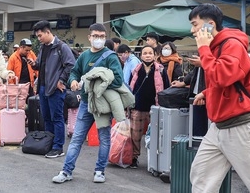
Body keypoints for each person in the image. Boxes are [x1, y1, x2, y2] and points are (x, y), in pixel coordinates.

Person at [188, 3, 250, 192]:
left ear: (210, 25)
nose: (192, 30)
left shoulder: (231, 44)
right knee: (201, 175)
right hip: (221, 126)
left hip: (240, 125)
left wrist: (204, 49)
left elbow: (222, 76)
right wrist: (206, 93)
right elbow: (226, 80)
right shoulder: (219, 46)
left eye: (195, 24)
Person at [52, 23, 124, 184]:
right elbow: (74, 72)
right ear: (89, 37)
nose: (98, 39)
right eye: (96, 36)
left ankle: (100, 171)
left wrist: (92, 82)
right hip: (85, 103)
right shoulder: (84, 56)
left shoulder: (111, 56)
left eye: (102, 36)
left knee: (104, 138)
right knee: (77, 138)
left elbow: (118, 80)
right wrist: (73, 81)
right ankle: (66, 171)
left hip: (102, 105)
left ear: (105, 38)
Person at [29, 20, 75, 158]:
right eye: (37, 36)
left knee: (57, 117)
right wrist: (34, 64)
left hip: (55, 89)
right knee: (46, 118)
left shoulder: (61, 47)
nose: (39, 38)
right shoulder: (43, 47)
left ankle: (58, 147)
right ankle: (49, 143)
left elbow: (71, 65)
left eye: (40, 35)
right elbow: (40, 65)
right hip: (43, 87)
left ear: (48, 32)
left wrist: (61, 81)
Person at [128, 45, 169, 169]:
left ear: (155, 55)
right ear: (141, 56)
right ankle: (134, 158)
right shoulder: (136, 70)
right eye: (145, 53)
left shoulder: (161, 70)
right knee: (135, 135)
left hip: (155, 108)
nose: (147, 55)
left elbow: (166, 88)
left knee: (156, 135)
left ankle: (155, 160)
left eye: (150, 53)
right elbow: (131, 88)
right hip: (137, 107)